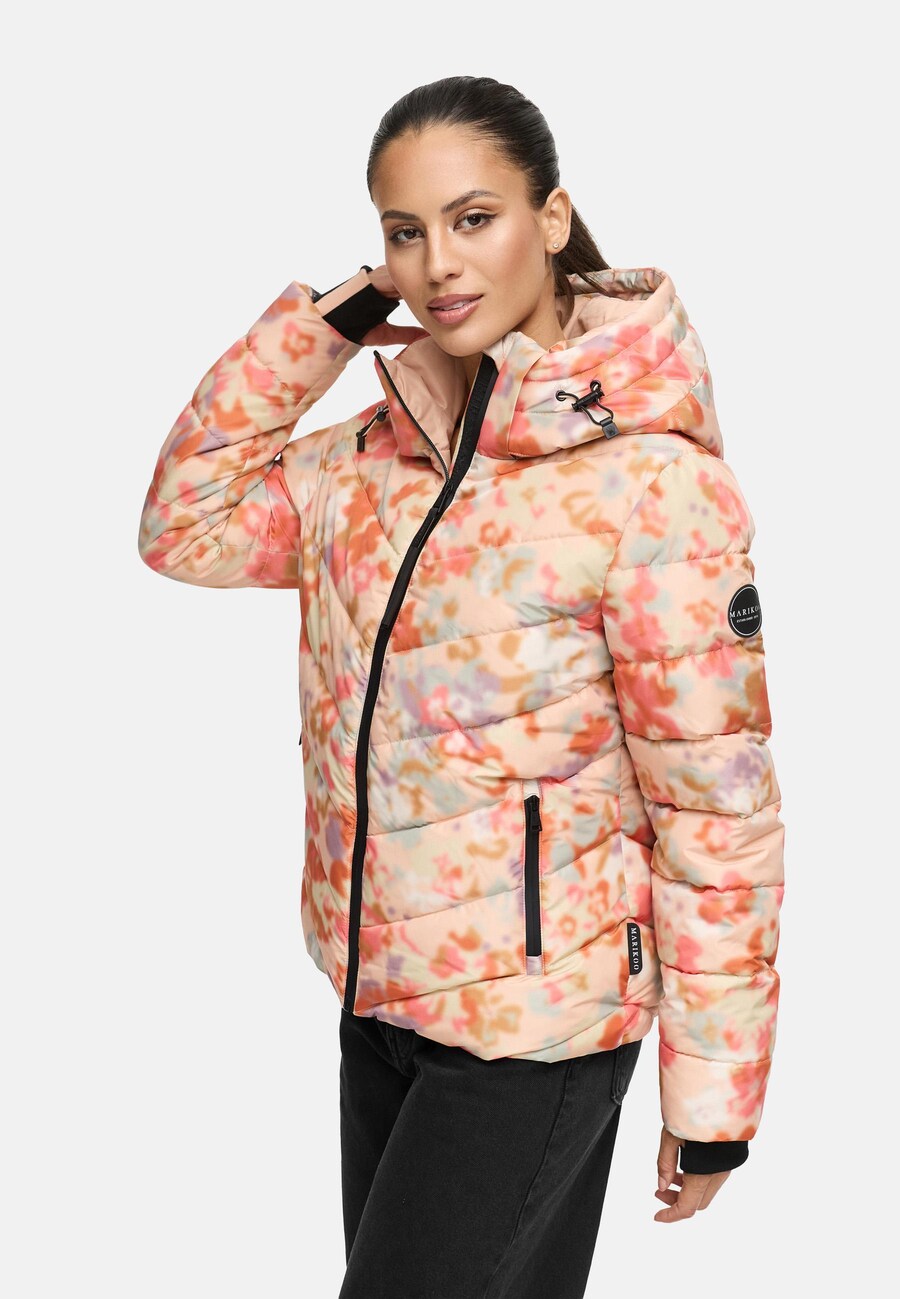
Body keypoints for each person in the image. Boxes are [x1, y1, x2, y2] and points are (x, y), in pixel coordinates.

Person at [138, 75, 785, 1298]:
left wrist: (713, 1100)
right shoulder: (369, 461)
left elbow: (717, 812)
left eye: (473, 218)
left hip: (537, 1034)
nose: (437, 263)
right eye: (404, 232)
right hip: (383, 1007)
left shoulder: (653, 490)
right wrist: (331, 323)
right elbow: (184, 524)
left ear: (553, 218)